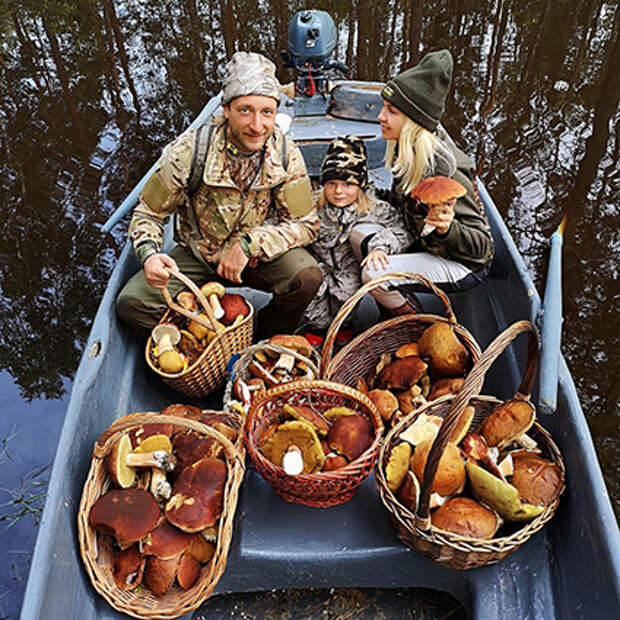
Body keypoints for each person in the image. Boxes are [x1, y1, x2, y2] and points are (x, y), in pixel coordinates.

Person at [116, 52, 322, 340]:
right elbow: (148, 214)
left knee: (307, 277)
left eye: (267, 112)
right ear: (226, 110)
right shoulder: (189, 152)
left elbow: (305, 224)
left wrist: (251, 244)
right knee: (131, 305)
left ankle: (265, 338)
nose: (257, 125)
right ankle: (200, 338)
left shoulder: (287, 154)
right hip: (196, 255)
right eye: (245, 110)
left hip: (252, 260)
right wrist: (150, 255)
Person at [350, 49, 494, 314]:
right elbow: (404, 203)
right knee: (358, 232)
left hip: (460, 262)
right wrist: (363, 193)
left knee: (374, 275)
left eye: (391, 111)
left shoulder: (444, 168)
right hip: (423, 240)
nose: (381, 117)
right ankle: (391, 303)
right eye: (384, 108)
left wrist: (447, 229)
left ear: (414, 122)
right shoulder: (407, 151)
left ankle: (413, 323)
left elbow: (482, 249)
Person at [300, 135, 411, 336]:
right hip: (318, 262)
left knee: (346, 299)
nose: (338, 191)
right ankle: (318, 328)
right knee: (313, 299)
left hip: (349, 267)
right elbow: (288, 225)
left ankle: (344, 327)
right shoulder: (311, 205)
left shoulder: (374, 208)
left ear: (360, 185)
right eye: (331, 183)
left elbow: (402, 230)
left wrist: (379, 247)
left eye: (348, 184)